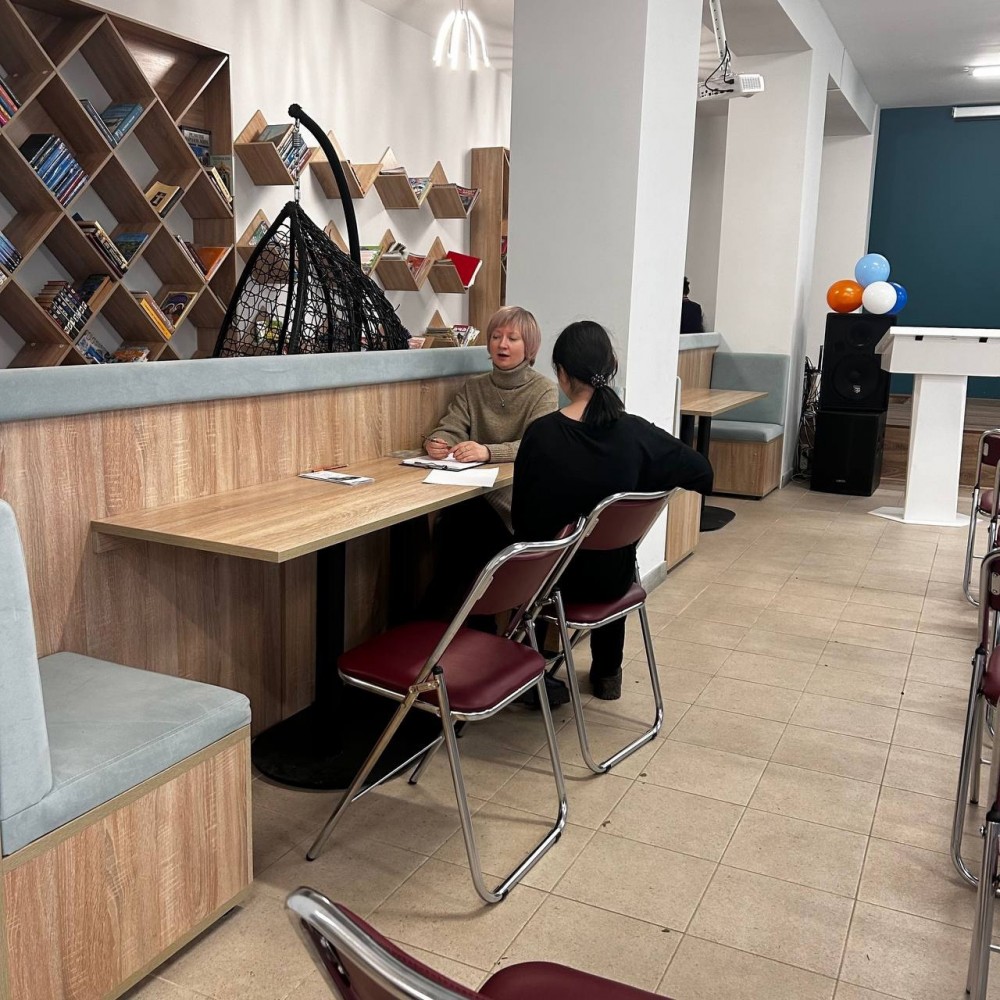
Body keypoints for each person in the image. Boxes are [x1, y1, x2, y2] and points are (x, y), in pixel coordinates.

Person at [511, 320, 713, 700]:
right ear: (612, 367)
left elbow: (523, 525)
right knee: (611, 550)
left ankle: (524, 671)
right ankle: (607, 674)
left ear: (561, 374)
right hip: (615, 584)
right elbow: (702, 472)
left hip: (555, 585)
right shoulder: (635, 433)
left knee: (516, 548)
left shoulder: (542, 435)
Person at [419, 305, 558, 625]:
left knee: (458, 535)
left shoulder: (544, 390)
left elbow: (535, 445)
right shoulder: (474, 387)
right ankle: (456, 627)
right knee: (455, 529)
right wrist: (438, 441)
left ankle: (435, 626)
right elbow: (452, 425)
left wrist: (487, 452)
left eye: (512, 338)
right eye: (496, 336)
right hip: (472, 497)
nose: (502, 344)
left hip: (512, 505)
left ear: (530, 347)